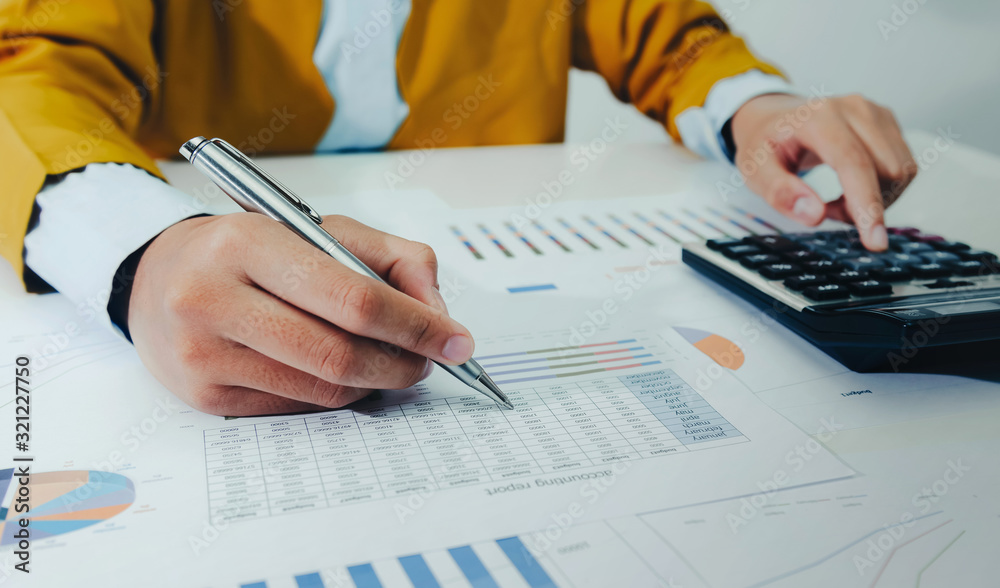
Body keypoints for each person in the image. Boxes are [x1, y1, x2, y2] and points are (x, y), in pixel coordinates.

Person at [0, 1, 916, 416]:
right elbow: (29, 78)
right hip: (197, 258)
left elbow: (662, 32)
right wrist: (143, 253)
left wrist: (753, 104)